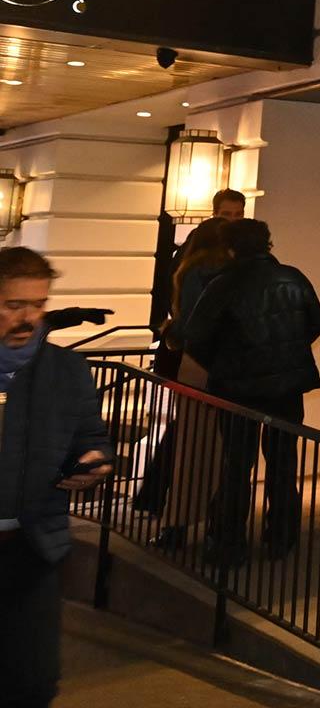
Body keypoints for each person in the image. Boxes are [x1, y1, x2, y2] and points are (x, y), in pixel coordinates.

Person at [0, 247, 112, 707]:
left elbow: (92, 437)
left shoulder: (67, 370)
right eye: (13, 305)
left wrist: (95, 462)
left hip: (34, 544)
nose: (29, 317)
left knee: (33, 681)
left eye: (38, 303)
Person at [183, 218, 320, 564]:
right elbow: (314, 324)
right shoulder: (294, 278)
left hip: (238, 387)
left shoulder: (223, 285)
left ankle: (230, 542)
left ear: (232, 248)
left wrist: (223, 363)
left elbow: (196, 336)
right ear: (267, 244)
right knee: (283, 461)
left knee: (237, 464)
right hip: (287, 385)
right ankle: (281, 536)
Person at [137, 218, 236, 538]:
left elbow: (185, 320)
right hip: (217, 364)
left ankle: (178, 521)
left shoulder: (188, 270)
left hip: (192, 363)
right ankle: (209, 519)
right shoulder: (223, 273)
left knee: (191, 446)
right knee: (215, 448)